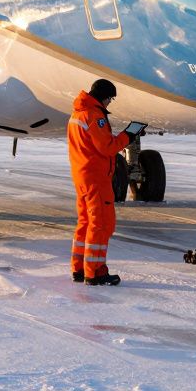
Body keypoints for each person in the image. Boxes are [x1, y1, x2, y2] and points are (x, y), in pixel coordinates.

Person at [68, 78, 132, 286]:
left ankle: (78, 268)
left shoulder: (77, 113)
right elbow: (107, 147)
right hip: (96, 179)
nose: (109, 104)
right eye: (110, 100)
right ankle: (94, 272)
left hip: (82, 176)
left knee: (85, 222)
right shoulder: (95, 116)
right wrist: (127, 137)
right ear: (104, 97)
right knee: (101, 224)